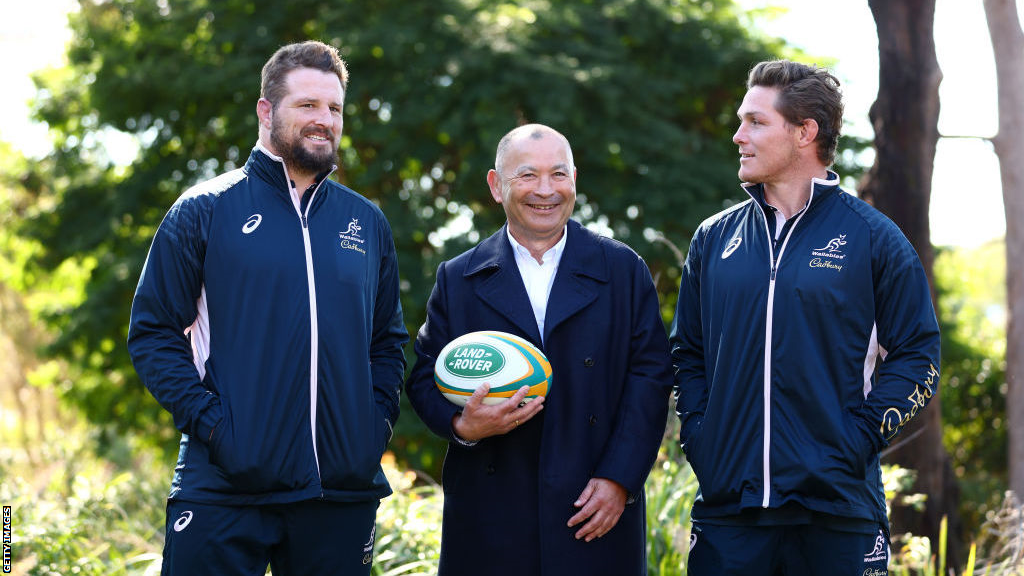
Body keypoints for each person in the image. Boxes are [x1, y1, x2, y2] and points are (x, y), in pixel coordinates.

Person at [127, 40, 408, 576]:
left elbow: (387, 341)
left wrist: (372, 427)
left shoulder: (366, 223)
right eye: (307, 105)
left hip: (340, 494)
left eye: (334, 108)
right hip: (225, 487)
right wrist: (216, 429)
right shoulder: (204, 210)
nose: (324, 120)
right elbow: (153, 332)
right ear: (266, 110)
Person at [669, 59, 941, 575]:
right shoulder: (714, 238)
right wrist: (702, 436)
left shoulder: (873, 238)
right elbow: (688, 353)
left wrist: (856, 439)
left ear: (804, 133)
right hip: (732, 512)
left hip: (838, 513)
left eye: (755, 122)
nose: (737, 135)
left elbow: (919, 356)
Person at [405, 123, 673, 575]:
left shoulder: (623, 269)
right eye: (527, 176)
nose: (545, 191)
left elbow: (651, 378)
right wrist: (463, 425)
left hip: (592, 510)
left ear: (575, 179)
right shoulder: (459, 277)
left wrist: (619, 480)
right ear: (496, 185)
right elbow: (424, 376)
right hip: (490, 516)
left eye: (559, 174)